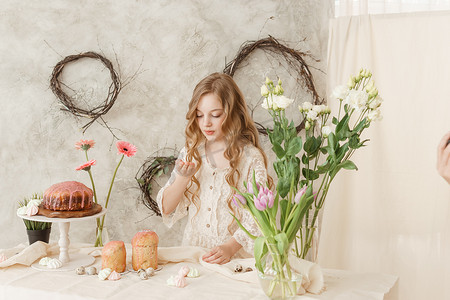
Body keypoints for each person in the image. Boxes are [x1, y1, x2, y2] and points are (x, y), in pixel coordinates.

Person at [156, 73, 271, 264]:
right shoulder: (192, 152)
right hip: (194, 253)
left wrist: (230, 247)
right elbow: (166, 208)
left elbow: (260, 215)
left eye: (215, 115)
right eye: (200, 115)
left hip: (235, 259)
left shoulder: (250, 158)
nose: (206, 123)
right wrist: (183, 178)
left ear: (234, 113)